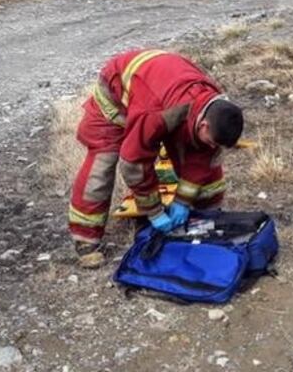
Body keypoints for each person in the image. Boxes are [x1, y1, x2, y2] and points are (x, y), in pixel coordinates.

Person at [68, 49, 244, 268]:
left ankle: (206, 219)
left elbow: (201, 160)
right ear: (204, 125)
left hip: (163, 92)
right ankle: (85, 240)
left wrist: (183, 202)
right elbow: (134, 163)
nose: (213, 147)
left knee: (203, 159)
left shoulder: (214, 106)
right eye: (212, 141)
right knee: (102, 161)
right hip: (119, 94)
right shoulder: (154, 113)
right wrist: (154, 212)